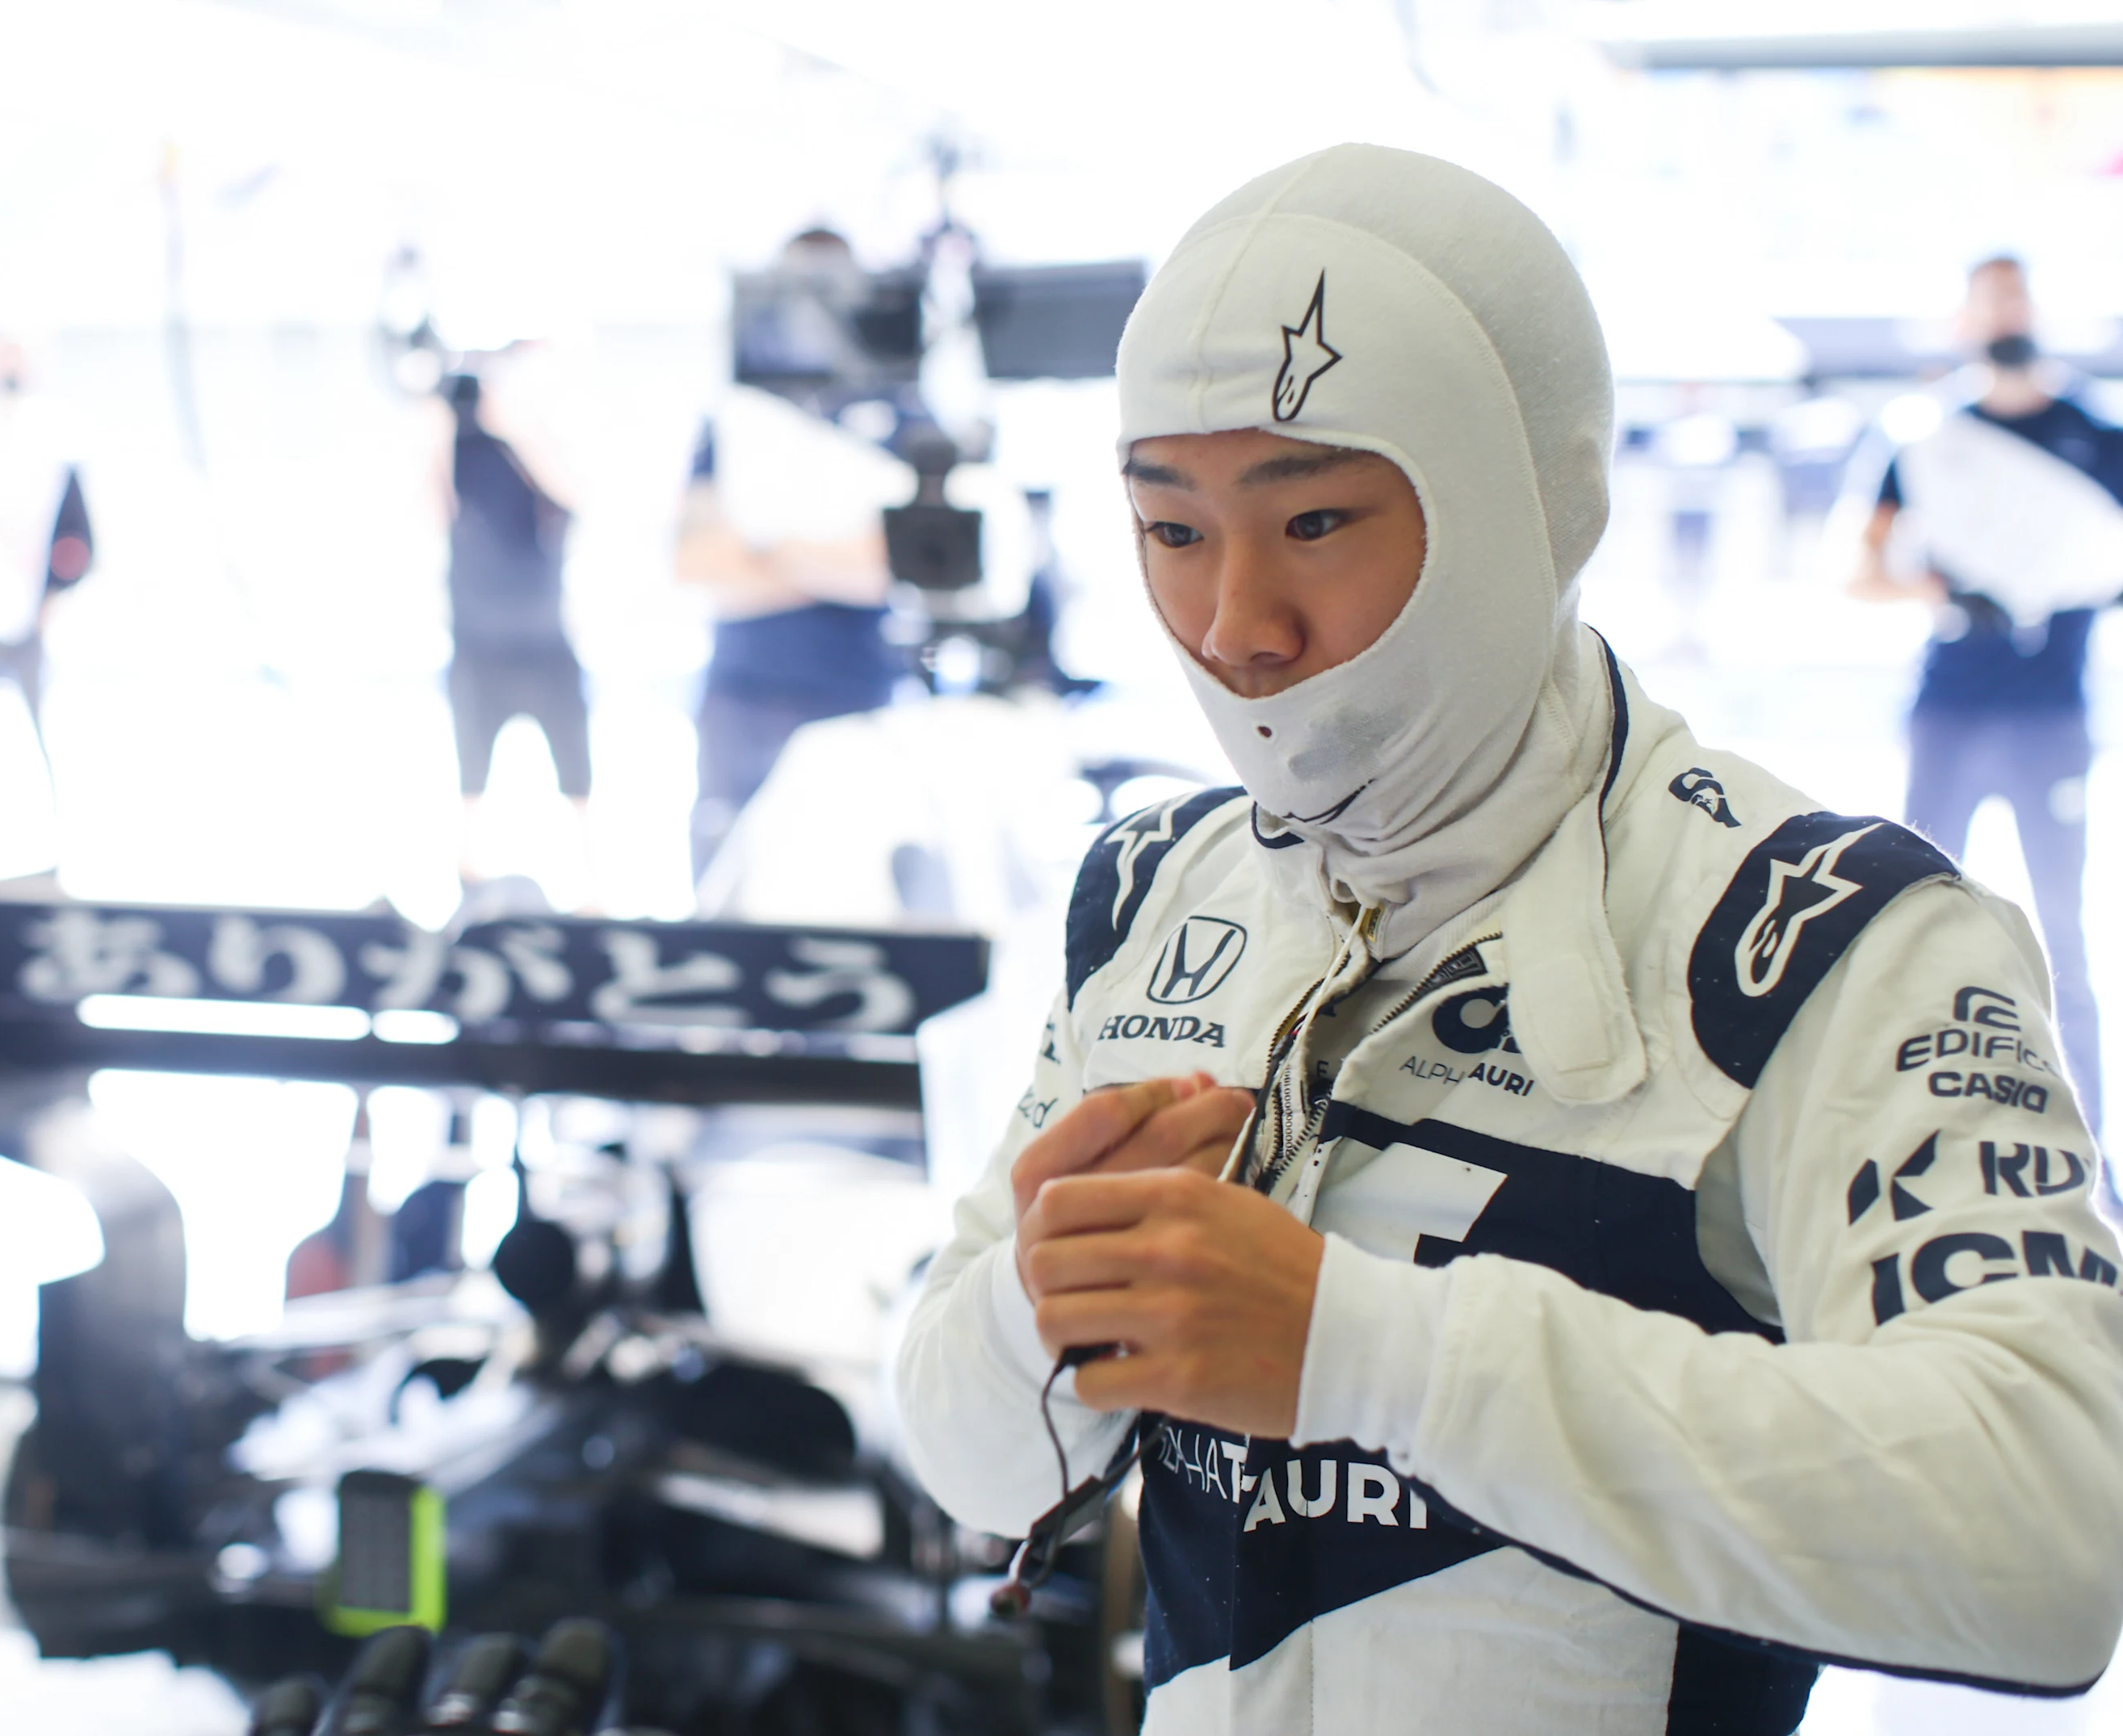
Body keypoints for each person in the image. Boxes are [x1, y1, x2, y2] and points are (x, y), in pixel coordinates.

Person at [891, 146, 2123, 1732]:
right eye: (1169, 528)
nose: (1232, 624)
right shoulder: (1151, 894)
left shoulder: (1827, 939)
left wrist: (1369, 1355)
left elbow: (2053, 1535)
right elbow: (976, 1454)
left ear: (1522, 505)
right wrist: (1025, 1315)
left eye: (1315, 517)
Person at [1853, 255, 2114, 1137]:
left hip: (2053, 718)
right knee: (1912, 923)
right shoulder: (1925, 436)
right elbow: (1857, 567)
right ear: (1963, 318)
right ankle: (1901, 1136)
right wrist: (1940, 591)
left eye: (2017, 294)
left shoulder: (2097, 433)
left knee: (2063, 939)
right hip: (1947, 715)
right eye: (1989, 298)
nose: (2006, 311)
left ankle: (2089, 1154)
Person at [677, 229, 910, 878]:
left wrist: (764, 549)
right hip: (740, 699)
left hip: (856, 698)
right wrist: (829, 561)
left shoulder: (899, 413)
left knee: (847, 886)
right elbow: (696, 562)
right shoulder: (736, 418)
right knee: (725, 886)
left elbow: (894, 569)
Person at [0, 334, 92, 863]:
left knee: (41, 729)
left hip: (29, 615)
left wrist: (54, 597)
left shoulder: (51, 444)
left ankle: (55, 848)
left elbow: (76, 535)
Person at [435, 367, 589, 888]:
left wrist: (515, 425)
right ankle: (464, 883)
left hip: (545, 643)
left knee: (578, 779)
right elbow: (427, 506)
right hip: (478, 643)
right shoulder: (457, 447)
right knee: (468, 783)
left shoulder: (544, 442)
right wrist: (434, 421)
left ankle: (590, 888)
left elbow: (574, 497)